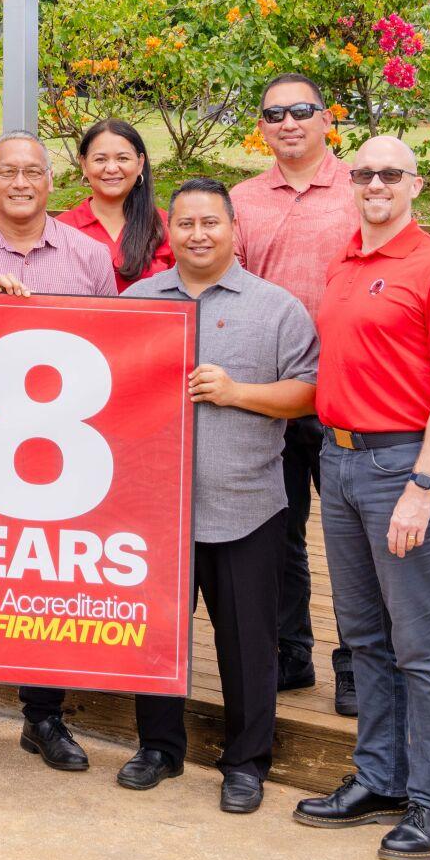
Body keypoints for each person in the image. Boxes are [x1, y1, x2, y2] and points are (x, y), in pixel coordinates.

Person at [291, 136, 430, 860]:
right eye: (363, 172)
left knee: (420, 645)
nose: (375, 183)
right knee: (363, 636)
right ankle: (379, 778)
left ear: (414, 184)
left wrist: (422, 487)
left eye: (389, 174)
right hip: (338, 463)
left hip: (402, 467)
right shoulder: (345, 260)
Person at [120, 178, 318, 815]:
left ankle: (246, 762)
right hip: (156, 509)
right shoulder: (139, 300)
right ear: (167, 232)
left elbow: (309, 394)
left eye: (211, 223)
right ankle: (159, 747)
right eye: (184, 224)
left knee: (248, 643)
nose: (197, 235)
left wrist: (237, 392)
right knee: (155, 636)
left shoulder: (278, 307)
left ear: (236, 230)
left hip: (246, 505)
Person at [0, 129, 117, 772]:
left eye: (33, 171)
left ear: (52, 181)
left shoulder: (88, 258)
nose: (21, 182)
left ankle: (44, 716)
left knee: (45, 578)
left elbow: (114, 348)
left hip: (61, 451)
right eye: (8, 171)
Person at [230, 72, 361, 715]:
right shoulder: (243, 199)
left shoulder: (360, 191)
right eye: (275, 113)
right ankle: (291, 650)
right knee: (279, 530)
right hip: (272, 389)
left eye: (301, 111)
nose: (289, 123)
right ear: (261, 126)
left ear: (325, 118)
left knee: (351, 532)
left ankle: (358, 663)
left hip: (347, 389)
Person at [59, 119, 173, 292]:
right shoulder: (61, 229)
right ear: (84, 164)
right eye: (100, 159)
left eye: (122, 158)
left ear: (140, 163)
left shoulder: (166, 225)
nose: (112, 168)